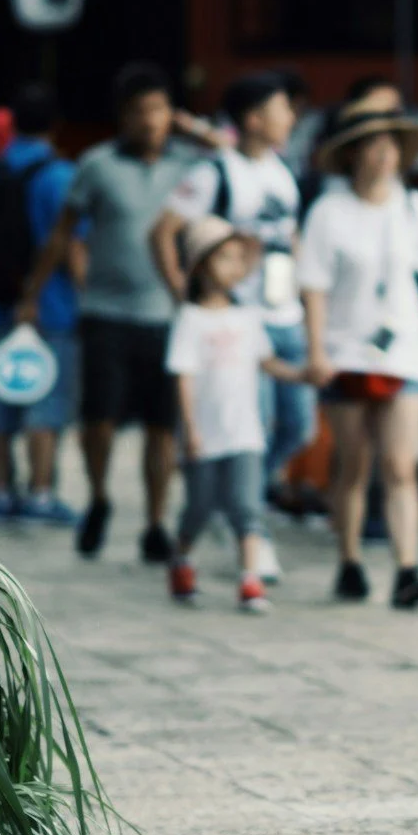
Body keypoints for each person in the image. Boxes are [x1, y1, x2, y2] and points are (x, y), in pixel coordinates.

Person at [20, 63, 204, 562]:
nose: (150, 120)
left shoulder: (191, 168)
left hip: (167, 317)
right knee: (98, 420)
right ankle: (100, 496)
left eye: (160, 110)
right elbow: (62, 233)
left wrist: (198, 130)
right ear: (122, 116)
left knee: (161, 428)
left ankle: (154, 522)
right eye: (140, 110)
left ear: (173, 114)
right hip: (105, 312)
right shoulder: (96, 165)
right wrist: (32, 295)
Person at [151, 69, 312, 580]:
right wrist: (188, 295)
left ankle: (236, 505)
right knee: (256, 431)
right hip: (240, 323)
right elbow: (164, 232)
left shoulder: (282, 170)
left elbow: (292, 236)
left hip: (286, 316)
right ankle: (252, 533)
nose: (292, 117)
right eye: (284, 108)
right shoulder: (211, 174)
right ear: (255, 118)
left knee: (299, 426)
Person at [297, 100, 418, 607]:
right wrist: (316, 349)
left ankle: (408, 567)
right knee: (353, 463)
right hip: (345, 349)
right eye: (372, 144)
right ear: (352, 153)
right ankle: (349, 559)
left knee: (401, 464)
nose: (384, 154)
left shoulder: (414, 207)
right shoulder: (328, 212)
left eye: (392, 145)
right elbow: (313, 287)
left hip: (403, 348)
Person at [168, 217, 302, 612]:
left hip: (245, 432)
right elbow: (184, 378)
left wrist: (301, 374)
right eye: (224, 257)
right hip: (205, 433)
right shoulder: (190, 320)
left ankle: (250, 580)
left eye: (238, 258)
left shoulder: (248, 317)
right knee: (199, 506)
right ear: (202, 266)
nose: (233, 266)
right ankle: (181, 557)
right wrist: (190, 429)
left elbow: (268, 362)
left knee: (247, 506)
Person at [0, 83, 79, 524]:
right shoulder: (61, 176)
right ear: (55, 125)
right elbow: (70, 244)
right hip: (51, 308)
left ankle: (0, 496)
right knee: (44, 404)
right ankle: (42, 496)